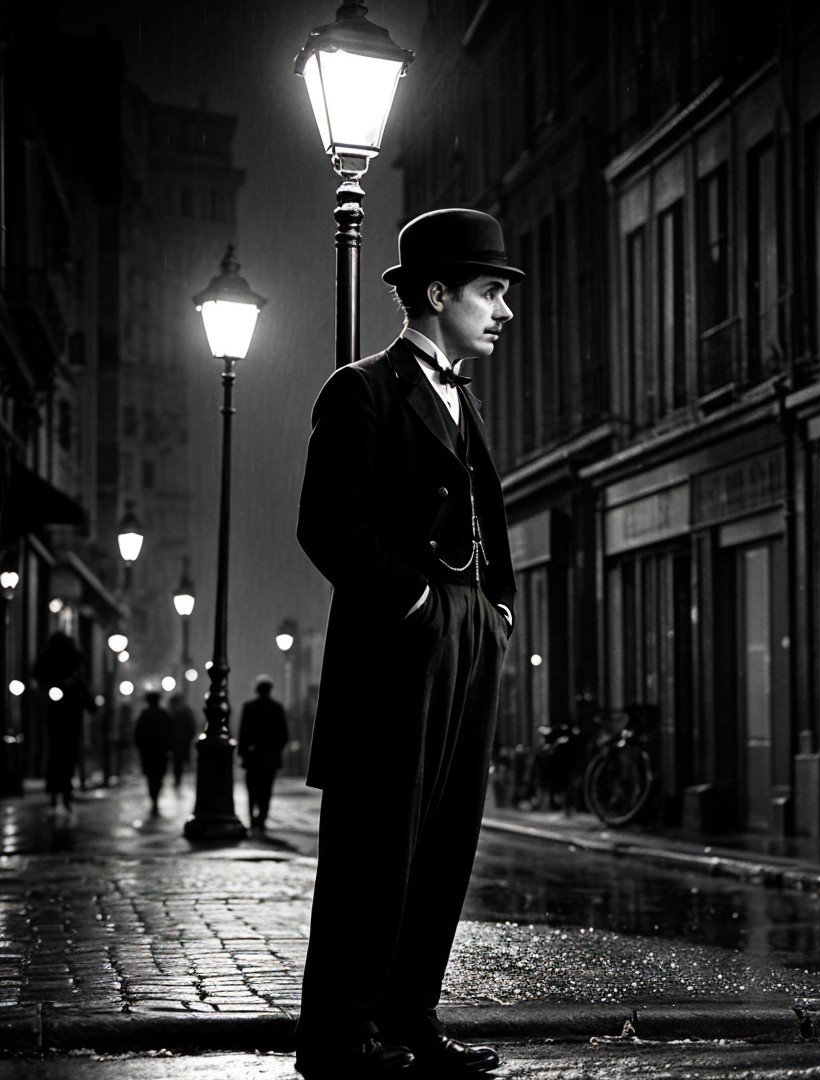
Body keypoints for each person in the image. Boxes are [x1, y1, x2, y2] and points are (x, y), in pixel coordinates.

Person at [293, 208, 518, 1079]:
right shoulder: (363, 389)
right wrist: (421, 603)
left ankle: (409, 1016)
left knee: (447, 835)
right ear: (437, 293)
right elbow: (327, 525)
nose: (502, 310)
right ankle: (342, 1034)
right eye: (489, 292)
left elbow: (483, 519)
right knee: (374, 842)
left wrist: (493, 608)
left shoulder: (464, 396)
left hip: (467, 636)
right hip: (398, 646)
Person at [30, 632, 88, 822]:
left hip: (64, 711)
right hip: (65, 712)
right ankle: (62, 792)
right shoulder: (65, 658)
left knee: (58, 752)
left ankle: (61, 792)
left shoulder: (60, 658)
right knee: (65, 752)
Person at [237, 677, 289, 835]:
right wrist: (275, 749)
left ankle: (252, 818)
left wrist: (243, 752)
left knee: (252, 788)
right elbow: (284, 734)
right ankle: (262, 818)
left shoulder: (249, 707)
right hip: (270, 756)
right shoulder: (277, 708)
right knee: (266, 789)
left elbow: (243, 732)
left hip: (253, 756)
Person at [133, 691, 172, 816]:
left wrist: (140, 746)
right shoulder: (164, 714)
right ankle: (155, 797)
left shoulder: (144, 715)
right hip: (161, 751)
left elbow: (138, 734)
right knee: (159, 775)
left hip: (148, 751)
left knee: (150, 776)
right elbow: (171, 732)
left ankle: (153, 797)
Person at [167, 693, 196, 792]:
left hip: (180, 742)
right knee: (178, 762)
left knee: (178, 761)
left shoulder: (176, 713)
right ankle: (178, 778)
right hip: (178, 742)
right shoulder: (178, 713)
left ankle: (178, 778)